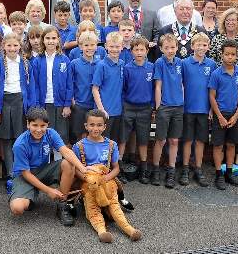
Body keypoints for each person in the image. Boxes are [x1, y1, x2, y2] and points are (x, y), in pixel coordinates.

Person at [8, 107, 88, 226]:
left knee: (68, 163)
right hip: (25, 176)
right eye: (35, 125)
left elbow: (66, 152)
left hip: (44, 170)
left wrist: (83, 169)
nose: (39, 130)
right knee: (17, 208)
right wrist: (48, 190)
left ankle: (62, 204)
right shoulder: (20, 144)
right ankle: (29, 196)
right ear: (28, 124)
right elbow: (26, 174)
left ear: (47, 125)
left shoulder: (51, 133)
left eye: (43, 126)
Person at [72, 109, 142, 243]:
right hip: (89, 183)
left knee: (114, 205)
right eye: (91, 125)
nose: (95, 128)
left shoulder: (111, 145)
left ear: (104, 126)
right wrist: (89, 179)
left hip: (107, 181)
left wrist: (105, 178)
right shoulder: (78, 146)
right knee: (93, 208)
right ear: (86, 126)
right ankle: (101, 231)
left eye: (99, 125)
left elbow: (116, 168)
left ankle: (130, 230)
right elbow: (75, 170)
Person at [0, 33, 35, 181]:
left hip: (20, 101)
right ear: (4, 46)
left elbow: (31, 87)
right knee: (6, 139)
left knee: (20, 138)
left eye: (15, 45)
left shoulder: (26, 63)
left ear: (20, 46)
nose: (12, 48)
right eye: (9, 45)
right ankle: (10, 173)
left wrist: (31, 109)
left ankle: (21, 171)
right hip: (5, 102)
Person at [208, 39, 238, 190]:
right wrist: (220, 116)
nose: (229, 57)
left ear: (237, 55)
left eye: (233, 54)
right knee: (218, 145)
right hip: (221, 114)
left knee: (231, 145)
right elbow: (211, 96)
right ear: (222, 55)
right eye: (227, 54)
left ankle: (229, 173)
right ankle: (219, 174)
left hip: (234, 115)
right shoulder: (216, 73)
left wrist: (237, 114)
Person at [180, 32, 216, 187]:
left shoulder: (212, 65)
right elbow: (180, 85)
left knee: (201, 140)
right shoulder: (184, 63)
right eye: (198, 44)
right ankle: (185, 169)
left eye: (204, 45)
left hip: (204, 109)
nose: (201, 47)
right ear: (192, 46)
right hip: (188, 108)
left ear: (208, 47)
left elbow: (213, 89)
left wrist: (211, 109)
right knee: (188, 140)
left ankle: (198, 168)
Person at [119, 36, 154, 185]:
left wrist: (152, 107)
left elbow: (154, 88)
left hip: (145, 108)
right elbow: (123, 88)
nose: (139, 52)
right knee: (123, 138)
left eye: (142, 49)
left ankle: (144, 168)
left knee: (143, 139)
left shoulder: (152, 67)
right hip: (129, 106)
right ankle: (118, 168)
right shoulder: (127, 68)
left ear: (147, 51)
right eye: (136, 49)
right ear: (131, 51)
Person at [152, 33, 184, 188]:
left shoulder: (180, 63)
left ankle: (171, 170)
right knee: (161, 140)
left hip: (178, 106)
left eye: (173, 47)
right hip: (164, 107)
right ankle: (156, 169)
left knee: (174, 140)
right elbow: (158, 85)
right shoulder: (159, 62)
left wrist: (182, 101)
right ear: (161, 49)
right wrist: (158, 107)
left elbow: (182, 84)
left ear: (177, 48)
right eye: (167, 48)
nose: (170, 50)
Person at [32, 26, 72, 146]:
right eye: (47, 38)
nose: (51, 41)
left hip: (60, 104)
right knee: (45, 134)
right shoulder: (37, 60)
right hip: (44, 104)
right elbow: (35, 86)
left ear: (58, 40)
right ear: (43, 40)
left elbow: (69, 84)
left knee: (61, 134)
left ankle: (59, 162)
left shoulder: (64, 59)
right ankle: (46, 161)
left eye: (54, 38)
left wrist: (67, 105)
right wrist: (37, 106)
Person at [92, 32, 124, 144]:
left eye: (117, 46)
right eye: (111, 46)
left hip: (118, 111)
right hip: (105, 112)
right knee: (102, 141)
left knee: (114, 142)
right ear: (106, 46)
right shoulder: (101, 65)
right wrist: (101, 109)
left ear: (122, 46)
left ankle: (112, 162)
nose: (114, 49)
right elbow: (95, 89)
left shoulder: (122, 64)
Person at [68, 31, 98, 143]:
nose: (89, 48)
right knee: (80, 134)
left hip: (94, 105)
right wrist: (73, 101)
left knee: (93, 133)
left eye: (92, 45)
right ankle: (80, 158)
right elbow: (70, 83)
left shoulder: (100, 64)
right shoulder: (74, 63)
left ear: (96, 45)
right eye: (86, 45)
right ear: (80, 46)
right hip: (80, 104)